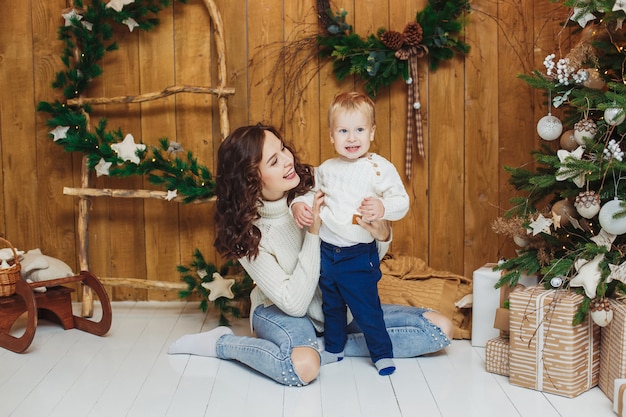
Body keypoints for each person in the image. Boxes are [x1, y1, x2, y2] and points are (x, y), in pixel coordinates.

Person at [168, 124, 453, 387]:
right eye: (273, 161)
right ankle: (223, 345)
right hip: (281, 311)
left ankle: (333, 343)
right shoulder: (246, 233)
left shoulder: (322, 183)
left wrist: (380, 235)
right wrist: (314, 233)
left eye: (282, 148)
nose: (287, 159)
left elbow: (359, 263)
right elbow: (293, 303)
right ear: (251, 178)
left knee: (439, 329)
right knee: (302, 367)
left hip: (339, 304)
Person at [291, 91, 409, 376]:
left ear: (372, 132)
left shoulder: (379, 168)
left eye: (359, 130)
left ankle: (382, 353)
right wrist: (298, 205)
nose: (352, 138)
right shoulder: (327, 169)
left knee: (367, 308)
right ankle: (334, 348)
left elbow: (401, 202)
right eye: (344, 131)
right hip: (328, 253)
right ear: (332, 135)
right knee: (332, 305)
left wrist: (382, 207)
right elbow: (309, 193)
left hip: (358, 256)